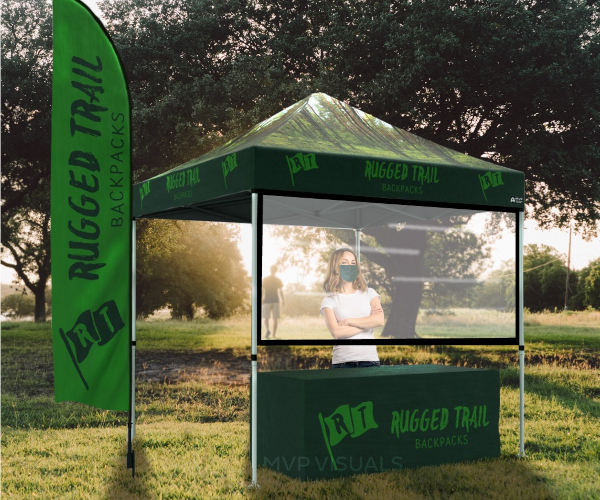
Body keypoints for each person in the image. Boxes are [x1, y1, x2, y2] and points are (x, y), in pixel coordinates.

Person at [320, 248, 385, 368]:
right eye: (344, 263)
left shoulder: (370, 293)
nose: (349, 266)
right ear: (335, 267)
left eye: (353, 263)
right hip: (342, 363)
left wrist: (349, 321)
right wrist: (368, 322)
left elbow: (380, 320)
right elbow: (337, 332)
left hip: (370, 361)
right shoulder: (329, 300)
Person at [262, 265, 285, 339]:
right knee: (275, 318)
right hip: (276, 300)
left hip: (267, 300)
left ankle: (268, 330)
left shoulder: (265, 279)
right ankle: (274, 335)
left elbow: (263, 291)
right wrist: (283, 300)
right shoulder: (278, 280)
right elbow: (281, 291)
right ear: (276, 271)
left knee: (266, 318)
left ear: (270, 270)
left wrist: (261, 299)